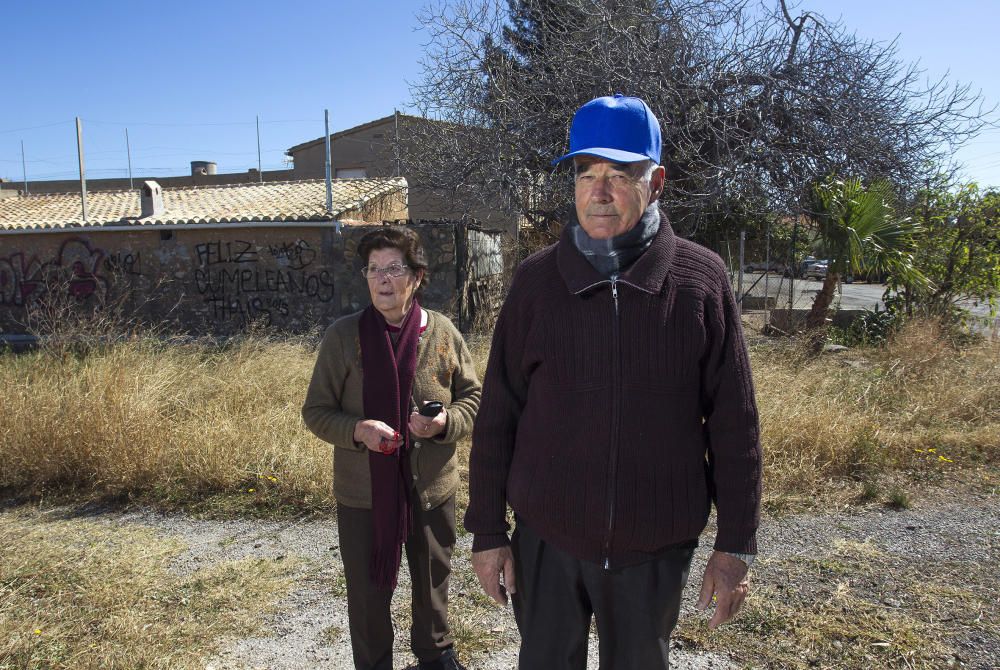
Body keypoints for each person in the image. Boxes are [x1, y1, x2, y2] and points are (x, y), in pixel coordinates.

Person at [464, 94, 762, 670]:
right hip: (547, 540)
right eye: (586, 174)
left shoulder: (700, 280)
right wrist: (486, 531)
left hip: (654, 545)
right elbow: (498, 414)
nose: (598, 193)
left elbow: (735, 424)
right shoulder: (535, 282)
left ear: (657, 182)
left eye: (620, 175)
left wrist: (734, 546)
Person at [303, 225, 480, 670]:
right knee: (366, 593)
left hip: (431, 488)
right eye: (374, 270)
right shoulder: (344, 337)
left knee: (432, 580)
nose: (382, 279)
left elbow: (474, 397)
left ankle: (436, 655)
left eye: (394, 269)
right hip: (364, 494)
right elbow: (317, 410)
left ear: (416, 277)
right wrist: (358, 430)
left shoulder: (442, 332)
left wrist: (444, 423)